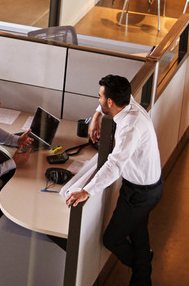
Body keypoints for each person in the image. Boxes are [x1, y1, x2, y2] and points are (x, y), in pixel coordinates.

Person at [66, 75, 162, 286]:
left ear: (110, 101)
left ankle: (141, 266)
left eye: (100, 97)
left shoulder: (130, 127)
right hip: (146, 187)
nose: (98, 99)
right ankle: (143, 275)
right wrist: (98, 114)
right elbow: (106, 105)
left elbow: (115, 165)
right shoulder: (129, 104)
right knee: (138, 234)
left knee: (112, 239)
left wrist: (87, 190)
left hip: (140, 193)